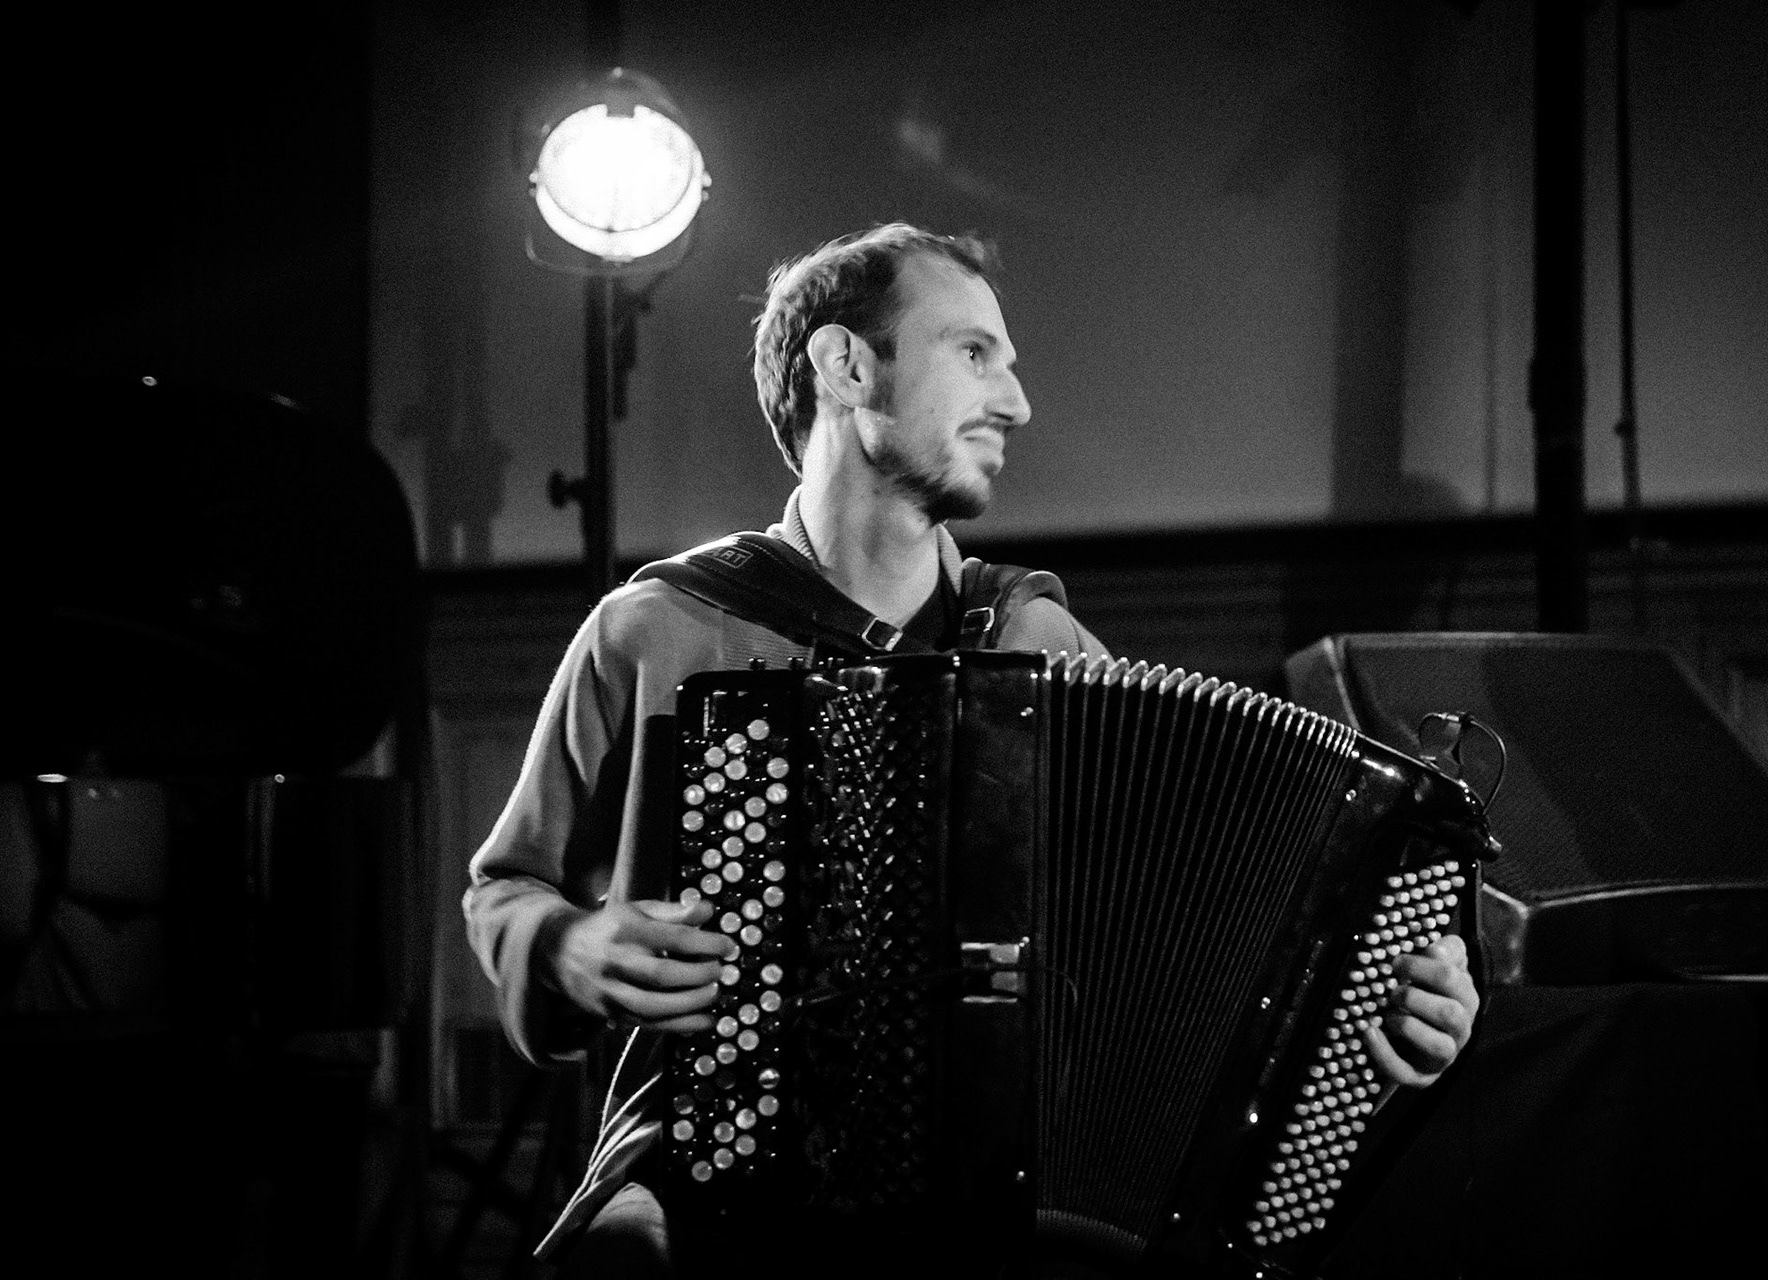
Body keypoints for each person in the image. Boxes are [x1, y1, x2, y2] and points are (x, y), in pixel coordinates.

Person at [463, 223, 1481, 1277]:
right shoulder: (660, 630)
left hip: (1018, 1196)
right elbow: (506, 885)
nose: (1017, 402)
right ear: (847, 365)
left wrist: (1387, 994)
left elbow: (1207, 920)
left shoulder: (1039, 648)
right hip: (719, 1170)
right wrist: (568, 949)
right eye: (974, 353)